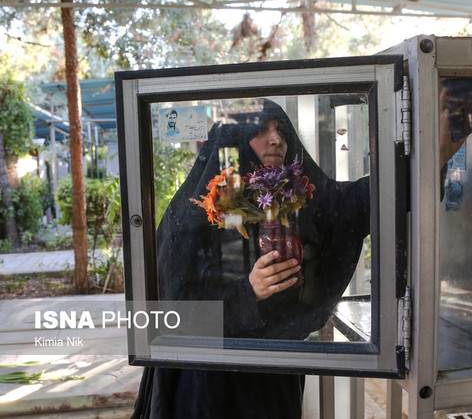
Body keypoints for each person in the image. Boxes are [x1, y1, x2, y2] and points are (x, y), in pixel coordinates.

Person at [133, 99, 370, 418]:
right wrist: (249, 292)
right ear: (235, 137)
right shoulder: (192, 218)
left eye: (282, 130)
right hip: (210, 384)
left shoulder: (293, 197)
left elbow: (350, 207)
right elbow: (175, 314)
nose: (276, 139)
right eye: (262, 129)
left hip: (274, 373)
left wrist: (427, 151)